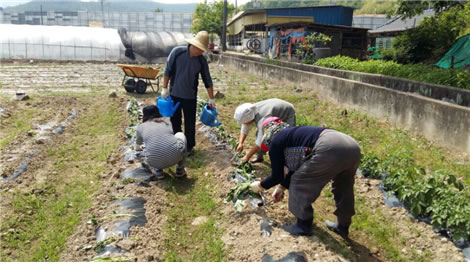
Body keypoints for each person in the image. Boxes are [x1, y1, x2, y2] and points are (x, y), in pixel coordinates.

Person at [249, 117, 361, 237]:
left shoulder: (276, 141)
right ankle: (342, 226)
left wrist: (260, 186)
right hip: (352, 146)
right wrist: (282, 187)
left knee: (299, 182)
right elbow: (298, 165)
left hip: (329, 146)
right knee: (343, 187)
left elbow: (277, 176)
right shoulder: (293, 134)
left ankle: (303, 225)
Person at [161, 31, 215, 156]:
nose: (200, 52)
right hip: (175, 94)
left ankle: (189, 146)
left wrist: (211, 98)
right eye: (199, 49)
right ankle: (176, 144)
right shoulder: (177, 52)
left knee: (190, 122)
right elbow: (167, 71)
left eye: (203, 50)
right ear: (193, 45)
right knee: (175, 120)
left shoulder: (201, 60)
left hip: (190, 96)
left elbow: (207, 79)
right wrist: (164, 88)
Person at [233, 98, 296, 163]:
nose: (245, 124)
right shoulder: (250, 110)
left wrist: (247, 157)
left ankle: (287, 162)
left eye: (245, 122)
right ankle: (259, 157)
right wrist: (241, 143)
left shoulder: (262, 118)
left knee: (285, 138)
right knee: (259, 134)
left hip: (287, 112)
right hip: (273, 108)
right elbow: (245, 126)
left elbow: (260, 141)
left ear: (250, 119)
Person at [136, 105, 187, 179]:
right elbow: (170, 138)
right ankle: (180, 169)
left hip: (155, 162)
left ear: (144, 115)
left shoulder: (141, 127)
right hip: (176, 157)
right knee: (180, 135)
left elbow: (138, 148)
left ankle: (158, 171)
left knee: (148, 147)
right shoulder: (166, 121)